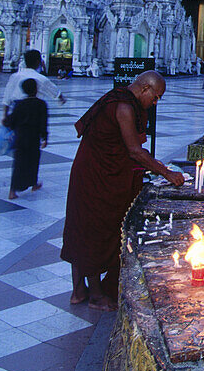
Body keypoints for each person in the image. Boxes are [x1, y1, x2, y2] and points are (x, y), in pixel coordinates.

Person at [61, 71, 185, 310]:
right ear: (145, 89)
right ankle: (96, 295)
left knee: (82, 227)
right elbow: (134, 151)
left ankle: (78, 291)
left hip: (90, 169)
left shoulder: (123, 100)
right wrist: (166, 173)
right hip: (96, 175)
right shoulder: (123, 107)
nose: (155, 103)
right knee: (94, 231)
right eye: (156, 97)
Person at [5, 78, 48, 199]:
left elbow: (11, 121)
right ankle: (33, 183)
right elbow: (43, 123)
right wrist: (44, 138)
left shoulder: (20, 104)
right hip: (34, 138)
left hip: (21, 137)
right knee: (33, 161)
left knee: (19, 163)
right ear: (36, 89)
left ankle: (12, 190)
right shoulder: (41, 104)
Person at [2, 49, 66, 118]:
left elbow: (7, 97)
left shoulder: (14, 76)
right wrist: (61, 99)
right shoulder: (41, 78)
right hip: (35, 111)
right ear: (38, 62)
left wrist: (5, 116)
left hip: (17, 109)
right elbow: (55, 91)